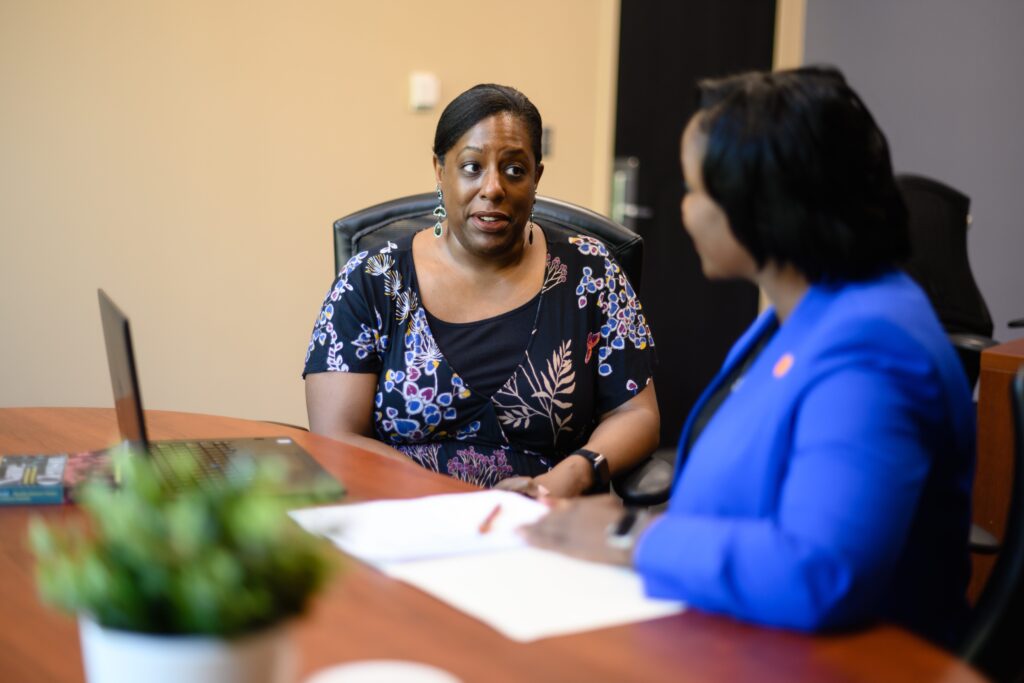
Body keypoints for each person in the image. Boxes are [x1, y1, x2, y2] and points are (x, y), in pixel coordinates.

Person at [523, 67, 975, 647]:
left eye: (695, 191)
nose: (685, 211)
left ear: (760, 207)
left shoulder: (875, 351)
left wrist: (629, 537)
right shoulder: (801, 313)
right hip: (738, 632)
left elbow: (821, 572)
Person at [304, 84, 660, 497]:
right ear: (440, 171)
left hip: (550, 519)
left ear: (536, 177)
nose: (493, 188)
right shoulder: (372, 278)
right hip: (404, 515)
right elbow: (336, 437)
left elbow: (636, 414)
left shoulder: (592, 272)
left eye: (514, 170)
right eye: (472, 166)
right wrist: (443, 499)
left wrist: (569, 477)